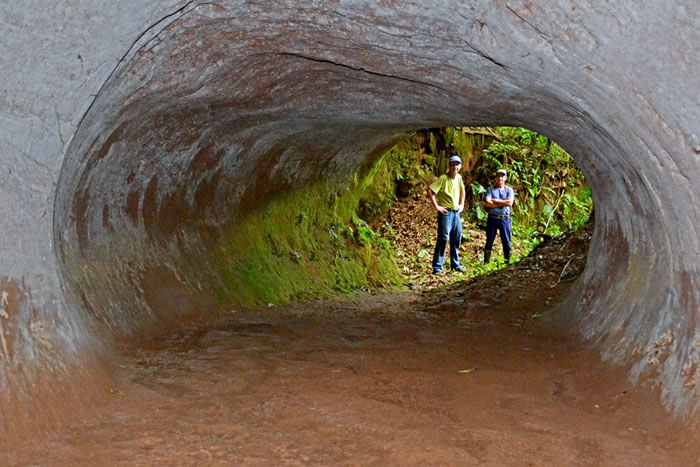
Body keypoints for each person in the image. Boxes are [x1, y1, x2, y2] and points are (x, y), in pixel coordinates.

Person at [427, 155, 466, 274]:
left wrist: (462, 204)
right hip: (446, 213)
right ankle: (437, 267)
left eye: (457, 164)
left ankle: (456, 265)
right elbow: (430, 190)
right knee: (443, 238)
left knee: (456, 238)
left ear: (460, 166)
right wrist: (437, 206)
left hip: (456, 213)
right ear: (449, 166)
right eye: (453, 164)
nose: (455, 167)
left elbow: (462, 190)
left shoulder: (458, 178)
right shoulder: (443, 178)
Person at [484, 168, 515, 264]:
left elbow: (510, 203)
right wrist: (503, 202)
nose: (500, 178)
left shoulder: (509, 190)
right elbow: (487, 203)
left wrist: (495, 201)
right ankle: (486, 262)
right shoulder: (490, 189)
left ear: (505, 178)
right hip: (492, 218)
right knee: (489, 240)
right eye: (498, 176)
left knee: (506, 241)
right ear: (496, 178)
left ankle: (507, 262)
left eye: (502, 176)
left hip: (505, 219)